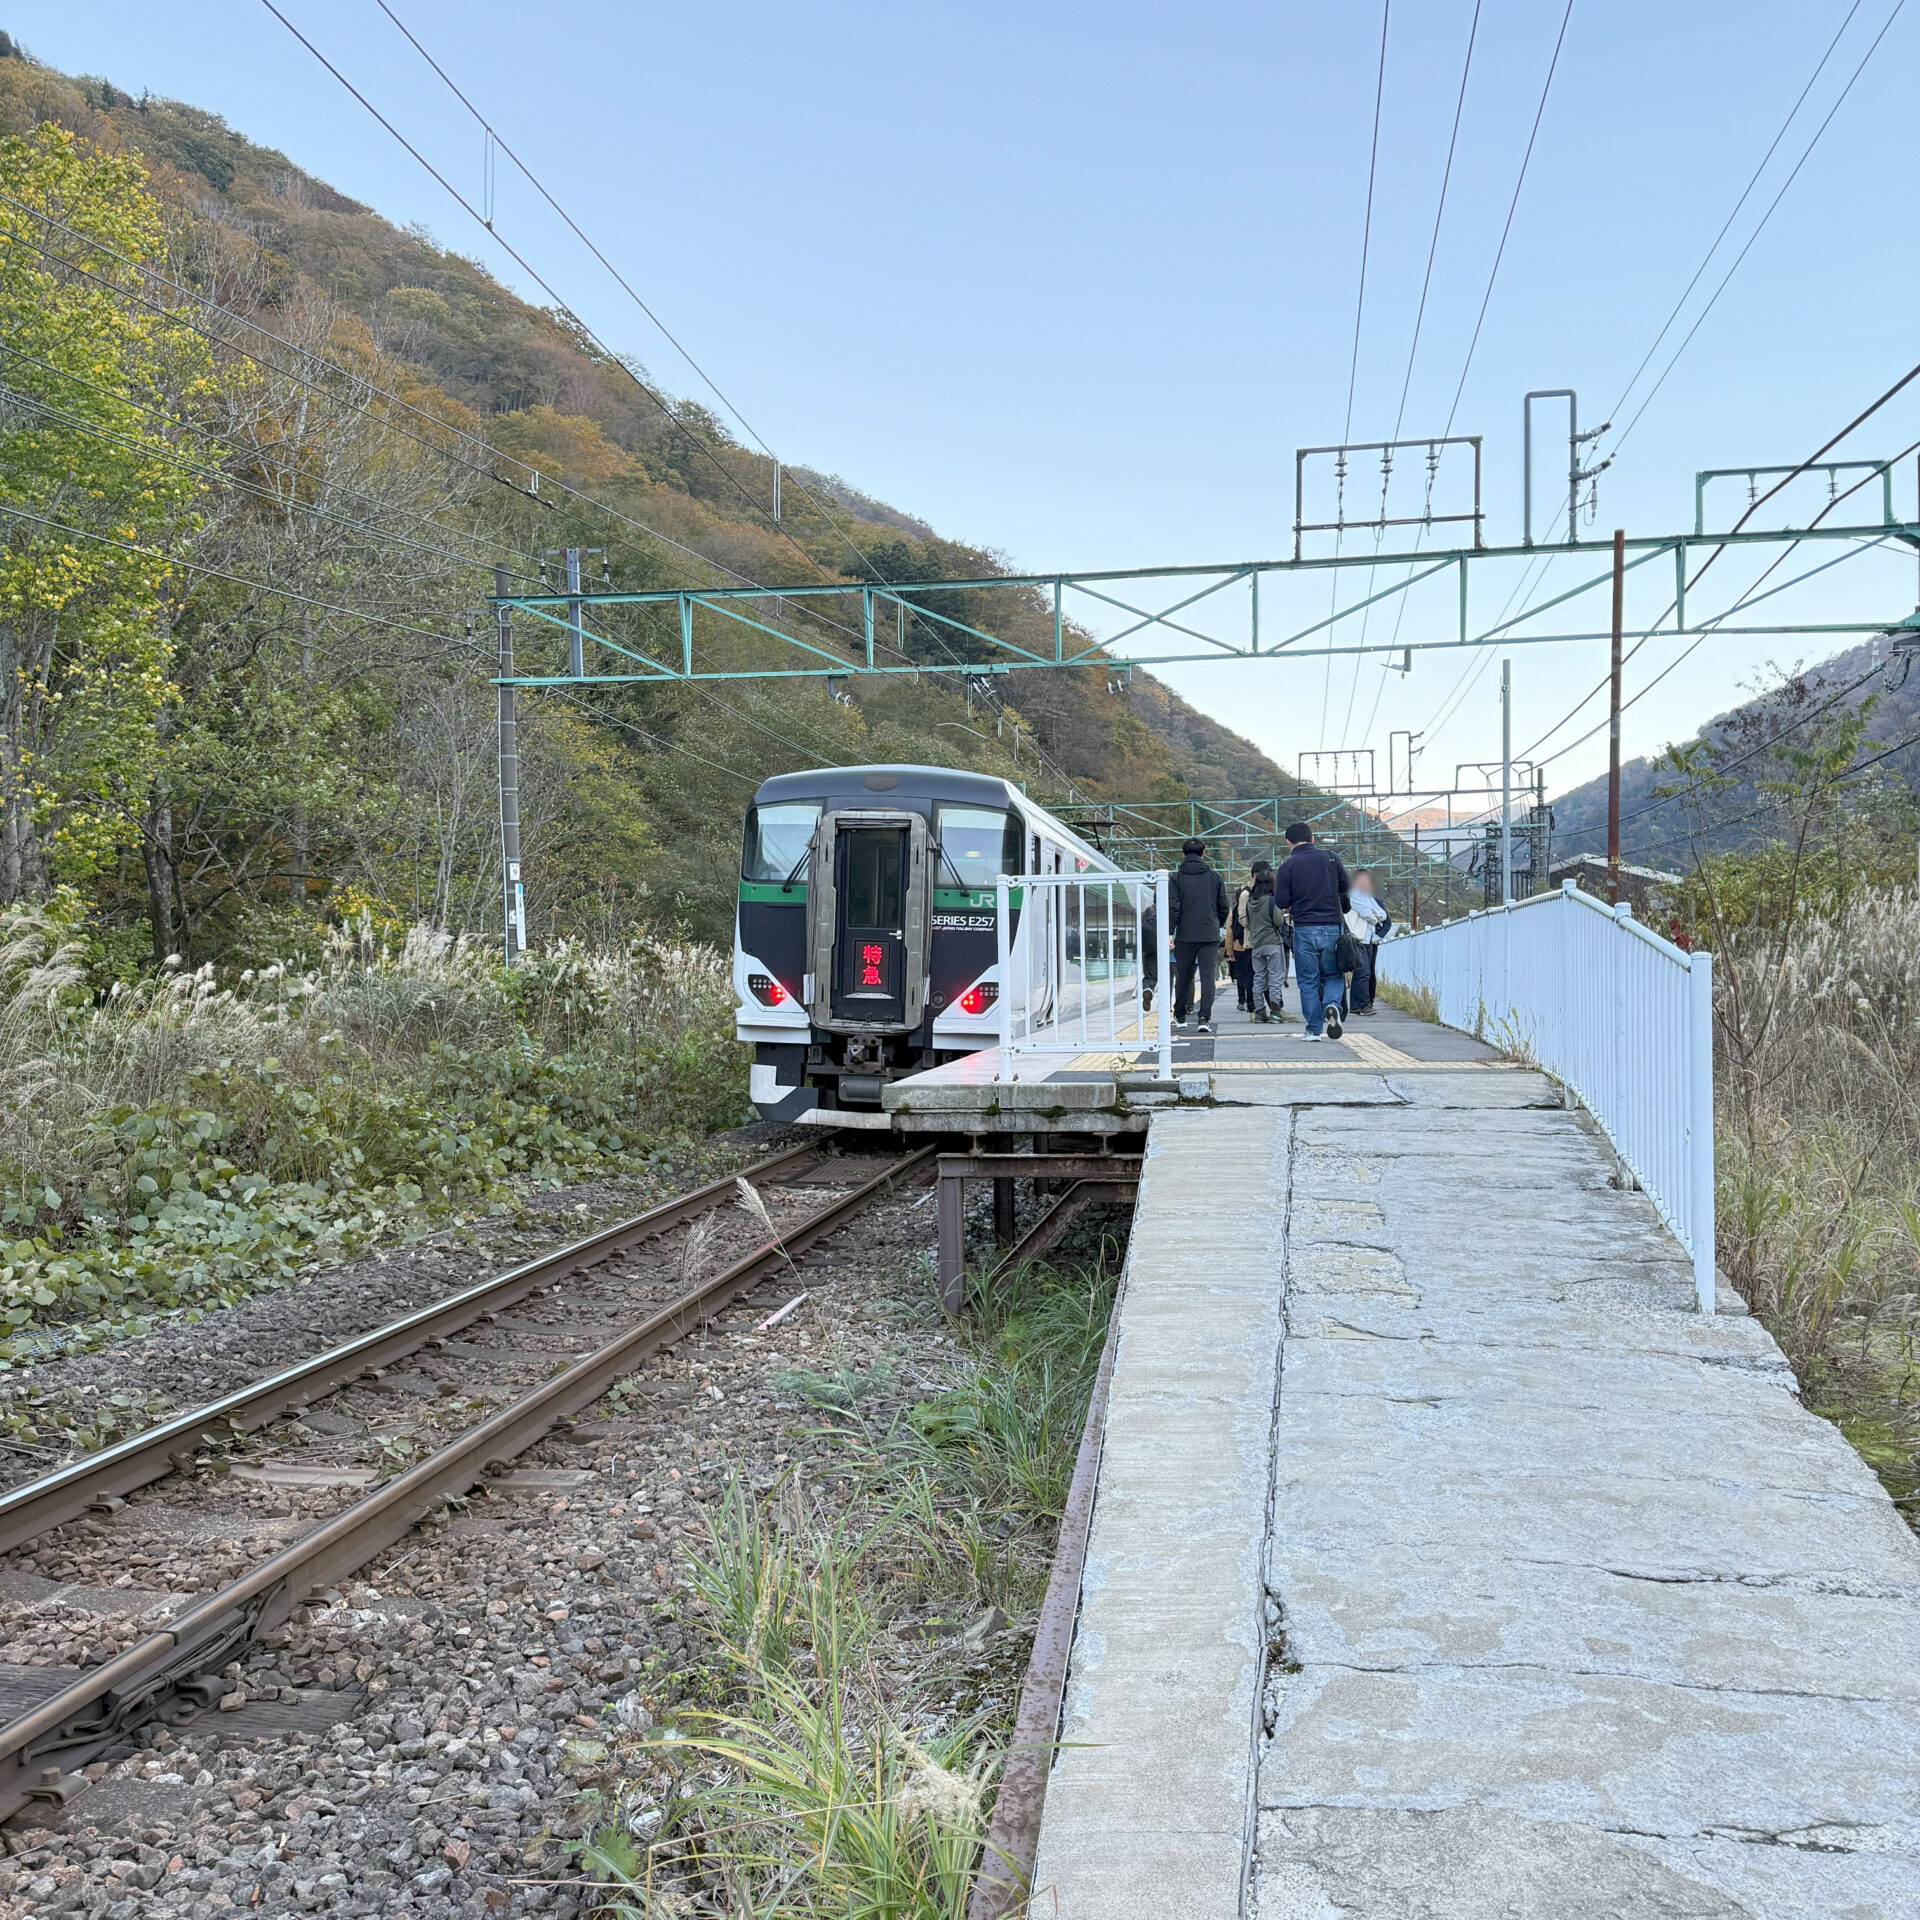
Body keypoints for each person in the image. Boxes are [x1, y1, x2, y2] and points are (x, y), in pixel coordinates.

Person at [1273, 821, 1351, 1041]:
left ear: (1288, 843)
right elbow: (1345, 887)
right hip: (1332, 927)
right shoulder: (1331, 858)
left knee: (1308, 981)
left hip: (1304, 928)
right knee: (1333, 973)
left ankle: (1313, 1029)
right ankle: (1332, 1004)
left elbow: (1280, 901)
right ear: (1312, 839)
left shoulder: (1287, 866)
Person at [1168, 836, 1228, 1033]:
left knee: (1184, 977)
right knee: (1208, 976)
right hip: (1209, 935)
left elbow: (1173, 908)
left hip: (1185, 935)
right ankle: (1204, 1018)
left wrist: (1171, 931)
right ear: (1203, 854)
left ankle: (1180, 1016)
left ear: (1184, 854)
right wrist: (1214, 924)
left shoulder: (1175, 878)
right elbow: (1224, 907)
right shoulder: (1215, 877)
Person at [1242, 866, 1291, 1022]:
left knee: (1259, 977)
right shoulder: (1271, 901)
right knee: (1275, 978)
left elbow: (1248, 923)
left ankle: (1259, 1011)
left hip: (1256, 945)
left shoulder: (1250, 903)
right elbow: (1279, 921)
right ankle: (1275, 1011)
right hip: (1273, 943)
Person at [1346, 869, 1390, 1015]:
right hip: (1358, 938)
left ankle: (1360, 1005)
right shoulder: (1354, 894)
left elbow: (1382, 915)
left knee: (1366, 973)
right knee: (1362, 972)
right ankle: (1361, 1005)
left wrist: (1374, 915)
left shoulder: (1368, 896)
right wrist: (1374, 915)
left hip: (1369, 938)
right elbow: (1367, 914)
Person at [1229, 860, 1268, 1014]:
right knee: (1250, 972)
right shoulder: (1246, 893)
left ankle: (1259, 1003)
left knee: (1258, 972)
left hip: (1261, 939)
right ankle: (1251, 1003)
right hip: (1249, 940)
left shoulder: (1265, 891)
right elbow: (1242, 918)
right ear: (1255, 875)